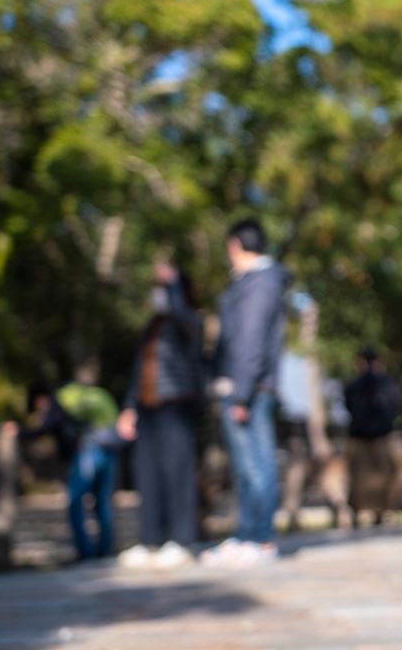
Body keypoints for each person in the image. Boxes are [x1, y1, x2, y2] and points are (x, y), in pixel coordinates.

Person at [201, 219, 290, 569]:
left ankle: (259, 538)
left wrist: (240, 393)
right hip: (245, 384)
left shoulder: (259, 283)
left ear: (235, 244)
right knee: (245, 467)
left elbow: (250, 339)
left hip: (248, 387)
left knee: (257, 465)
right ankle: (247, 534)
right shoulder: (256, 282)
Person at [116, 263, 205, 570]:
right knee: (148, 474)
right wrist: (129, 407)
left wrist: (175, 285)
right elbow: (139, 369)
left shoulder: (189, 319)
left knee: (177, 473)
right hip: (147, 406)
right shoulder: (153, 326)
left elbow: (185, 319)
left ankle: (181, 541)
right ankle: (151, 540)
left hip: (177, 404)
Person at [16, 360, 126, 560]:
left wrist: (18, 432)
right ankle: (106, 550)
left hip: (90, 448)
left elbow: (44, 429)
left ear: (39, 399)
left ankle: (84, 551)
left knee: (76, 500)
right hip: (111, 444)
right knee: (103, 500)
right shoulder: (74, 397)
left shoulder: (58, 401)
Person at [344, 348, 402, 523]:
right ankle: (372, 512)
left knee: (396, 472)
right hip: (369, 438)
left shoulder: (361, 385)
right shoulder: (386, 384)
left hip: (377, 437)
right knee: (360, 478)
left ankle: (380, 511)